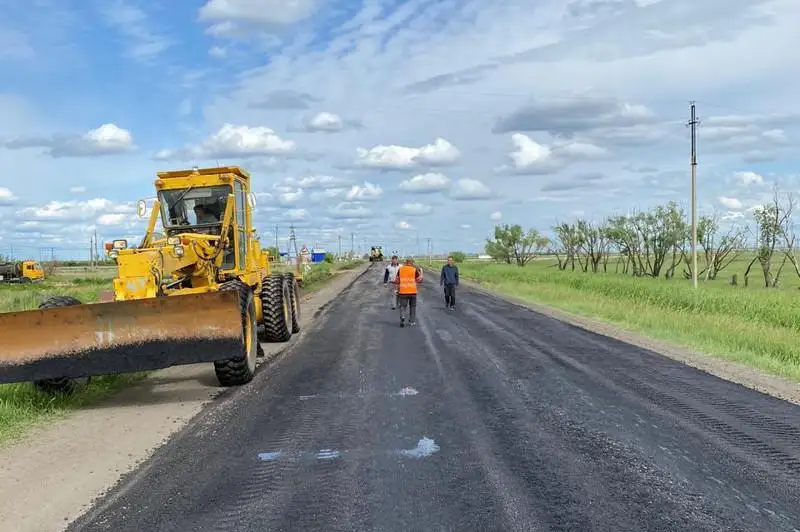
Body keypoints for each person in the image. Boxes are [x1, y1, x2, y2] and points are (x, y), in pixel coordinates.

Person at [393, 257, 423, 327]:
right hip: (412, 292)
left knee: (403, 306)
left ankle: (402, 317)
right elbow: (419, 280)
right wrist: (421, 273)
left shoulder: (401, 269)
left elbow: (397, 281)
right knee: (412, 306)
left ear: (406, 262)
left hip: (403, 292)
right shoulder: (414, 270)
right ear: (412, 263)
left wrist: (396, 289)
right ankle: (411, 321)